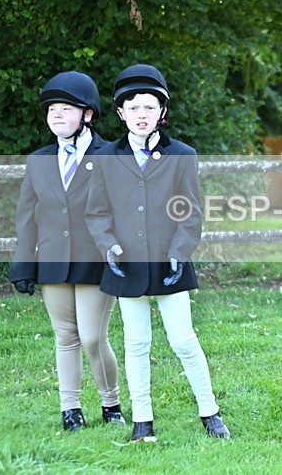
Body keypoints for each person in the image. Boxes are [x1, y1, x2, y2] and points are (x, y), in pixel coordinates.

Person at [85, 64, 230, 442]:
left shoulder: (182, 154)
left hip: (169, 262)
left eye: (150, 107)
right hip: (127, 263)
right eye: (133, 108)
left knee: (183, 339)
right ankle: (142, 421)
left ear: (162, 111)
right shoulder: (105, 157)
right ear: (121, 113)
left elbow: (191, 212)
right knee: (136, 343)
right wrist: (108, 246)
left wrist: (180, 251)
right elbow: (96, 213)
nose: (142, 114)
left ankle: (210, 411)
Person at [9, 71, 125, 432]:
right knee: (65, 336)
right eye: (52, 109)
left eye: (66, 108)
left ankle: (111, 403)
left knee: (92, 337)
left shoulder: (111, 155)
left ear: (87, 114)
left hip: (95, 260)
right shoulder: (39, 159)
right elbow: (27, 216)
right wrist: (23, 264)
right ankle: (70, 409)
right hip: (53, 259)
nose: (56, 114)